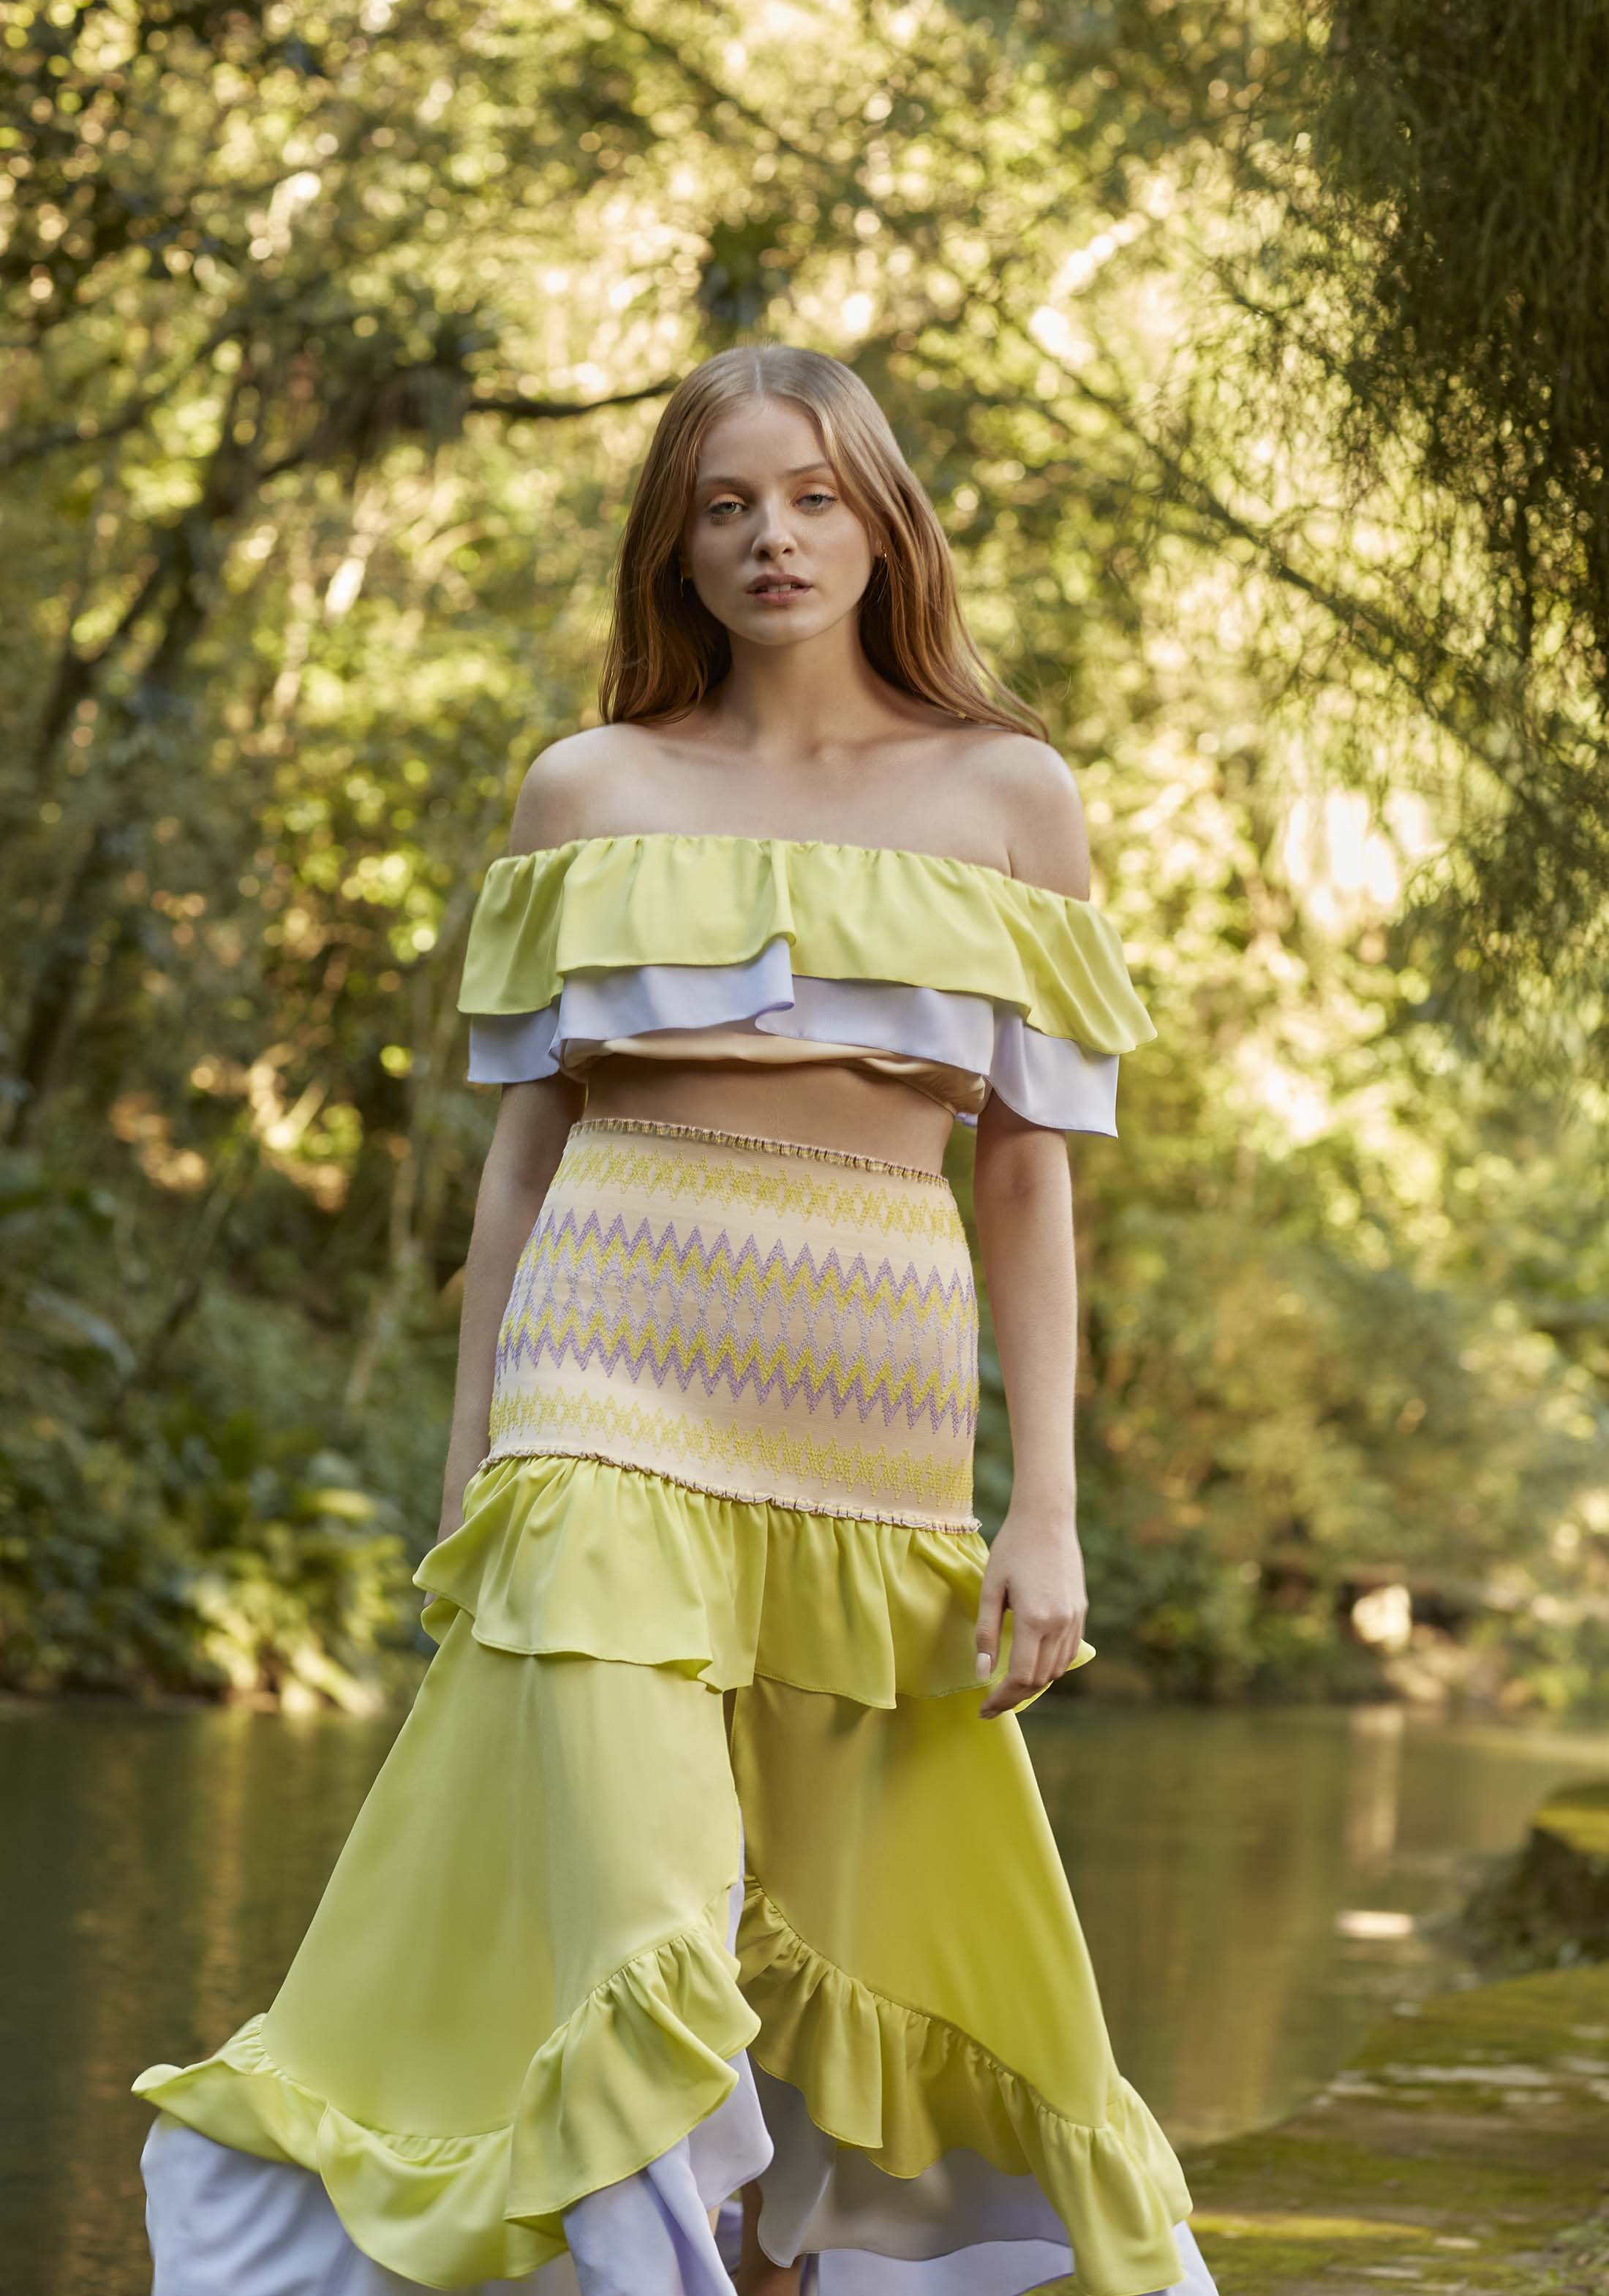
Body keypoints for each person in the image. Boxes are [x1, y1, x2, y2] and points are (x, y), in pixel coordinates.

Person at [132, 344, 1218, 2296]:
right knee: (646, 1925)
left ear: (883, 527)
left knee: (826, 1921)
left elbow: (1028, 1174)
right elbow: (522, 1164)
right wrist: (477, 1456)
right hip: (604, 1386)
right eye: (726, 505)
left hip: (872, 1436)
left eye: (811, 496)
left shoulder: (1009, 795)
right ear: (676, 545)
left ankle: (772, 2265)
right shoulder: (589, 787)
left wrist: (1043, 1512)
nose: (771, 537)